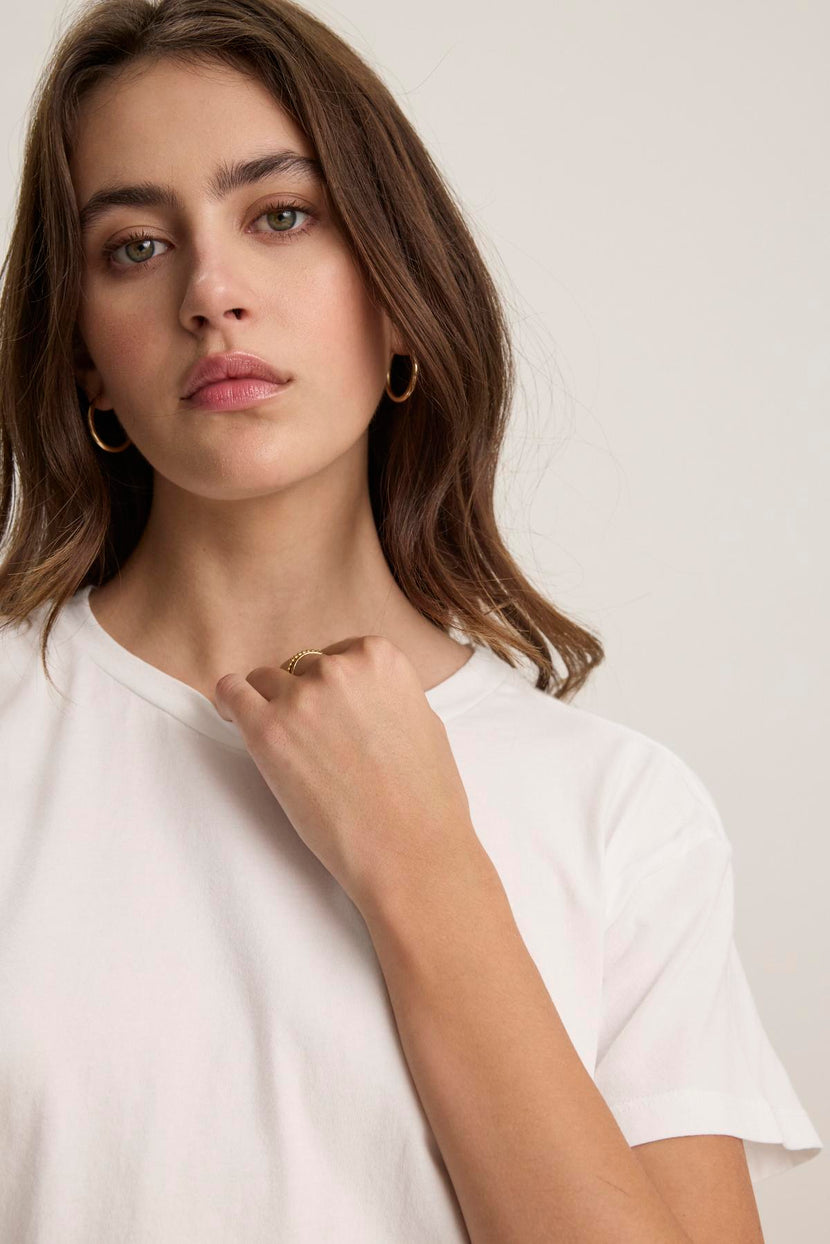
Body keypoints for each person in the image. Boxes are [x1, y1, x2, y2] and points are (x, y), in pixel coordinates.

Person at [0, 1, 821, 1241]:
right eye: (133, 245)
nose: (212, 291)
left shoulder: (618, 816)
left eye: (280, 215)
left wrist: (423, 870)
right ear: (81, 358)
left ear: (396, 295)